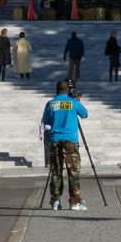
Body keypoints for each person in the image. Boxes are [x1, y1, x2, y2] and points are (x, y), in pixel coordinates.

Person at [42, 81, 89, 211]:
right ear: (68, 90)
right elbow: (85, 114)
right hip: (70, 141)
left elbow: (46, 121)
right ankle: (74, 202)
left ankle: (55, 201)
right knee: (73, 172)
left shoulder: (50, 104)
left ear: (56, 90)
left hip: (55, 140)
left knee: (56, 171)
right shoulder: (73, 102)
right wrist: (78, 100)